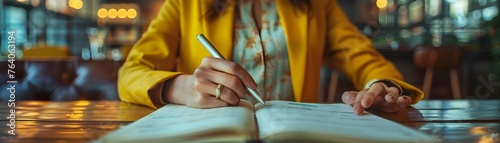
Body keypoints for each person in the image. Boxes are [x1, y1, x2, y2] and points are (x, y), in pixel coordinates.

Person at [118, 0, 424, 115]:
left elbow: (363, 58)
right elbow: (131, 72)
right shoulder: (184, 4)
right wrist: (179, 87)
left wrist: (379, 84)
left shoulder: (318, 6)